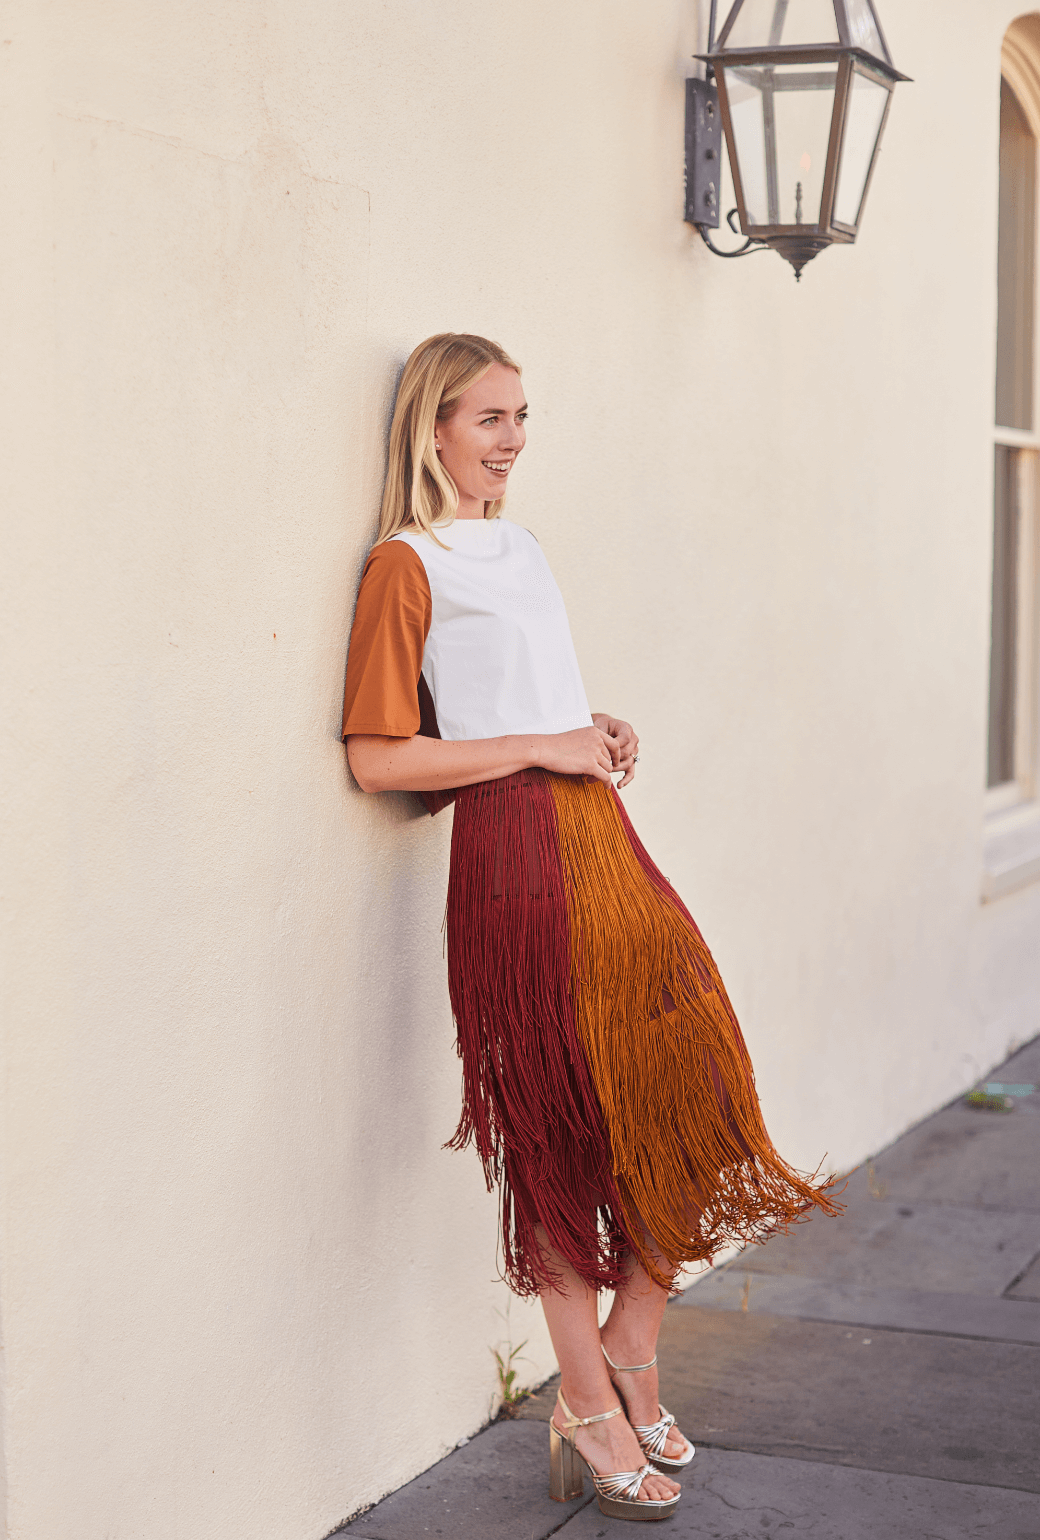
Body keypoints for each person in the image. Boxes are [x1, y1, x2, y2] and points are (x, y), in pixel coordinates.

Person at [342, 333, 837, 1522]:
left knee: (694, 1087)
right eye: (489, 418)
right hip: (513, 860)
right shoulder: (404, 566)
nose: (513, 438)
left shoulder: (517, 545)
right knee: (558, 1132)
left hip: (601, 841)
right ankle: (585, 1396)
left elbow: (518, 696)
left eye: (522, 416)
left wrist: (583, 722)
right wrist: (538, 744)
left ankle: (629, 1334)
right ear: (432, 429)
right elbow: (375, 757)